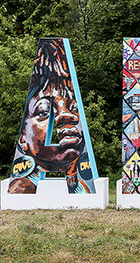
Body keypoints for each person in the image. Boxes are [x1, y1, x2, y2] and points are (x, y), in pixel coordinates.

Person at [9, 39, 94, 194]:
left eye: (73, 108)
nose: (66, 115)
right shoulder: (22, 188)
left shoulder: (84, 187)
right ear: (23, 139)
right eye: (43, 111)